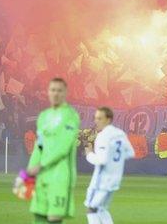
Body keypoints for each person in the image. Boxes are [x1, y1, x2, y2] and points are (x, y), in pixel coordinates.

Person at [26, 78, 80, 224]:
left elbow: (63, 147)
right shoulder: (44, 116)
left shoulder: (70, 116)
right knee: (39, 216)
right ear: (48, 92)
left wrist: (41, 165)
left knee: (53, 218)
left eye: (59, 90)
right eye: (53, 90)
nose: (55, 93)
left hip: (60, 175)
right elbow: (40, 144)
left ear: (65, 93)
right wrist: (30, 168)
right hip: (42, 176)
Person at [84, 106, 134, 224]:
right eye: (96, 118)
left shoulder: (102, 136)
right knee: (101, 209)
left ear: (108, 119)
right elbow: (130, 153)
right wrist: (115, 161)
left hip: (102, 180)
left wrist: (89, 154)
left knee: (91, 209)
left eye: (100, 118)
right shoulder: (120, 133)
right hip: (115, 179)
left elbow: (101, 160)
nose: (96, 121)